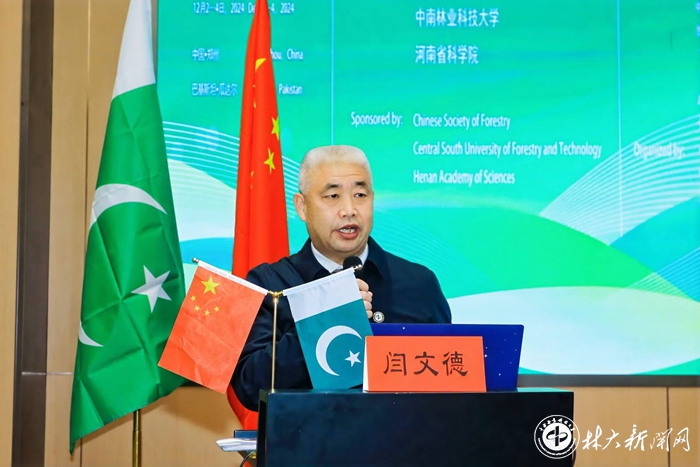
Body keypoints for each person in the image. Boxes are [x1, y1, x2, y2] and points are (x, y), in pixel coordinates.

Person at [231, 145, 451, 411]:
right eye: (333, 196)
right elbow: (249, 386)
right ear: (302, 207)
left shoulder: (419, 283)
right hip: (308, 437)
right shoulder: (270, 284)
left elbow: (449, 385)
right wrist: (327, 322)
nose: (349, 210)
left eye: (360, 195)